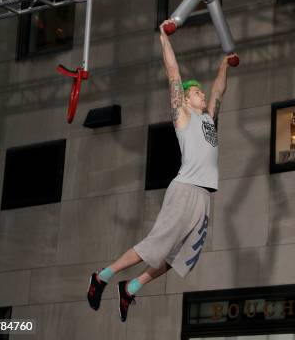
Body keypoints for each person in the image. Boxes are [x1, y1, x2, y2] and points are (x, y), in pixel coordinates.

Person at [87, 19, 233, 322]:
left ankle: (131, 288)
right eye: (198, 94)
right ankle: (102, 276)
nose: (203, 97)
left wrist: (225, 63)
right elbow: (173, 73)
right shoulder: (183, 114)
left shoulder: (208, 120)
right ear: (188, 98)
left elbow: (219, 90)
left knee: (179, 258)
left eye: (203, 96)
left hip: (204, 197)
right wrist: (163, 37)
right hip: (186, 189)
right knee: (155, 246)